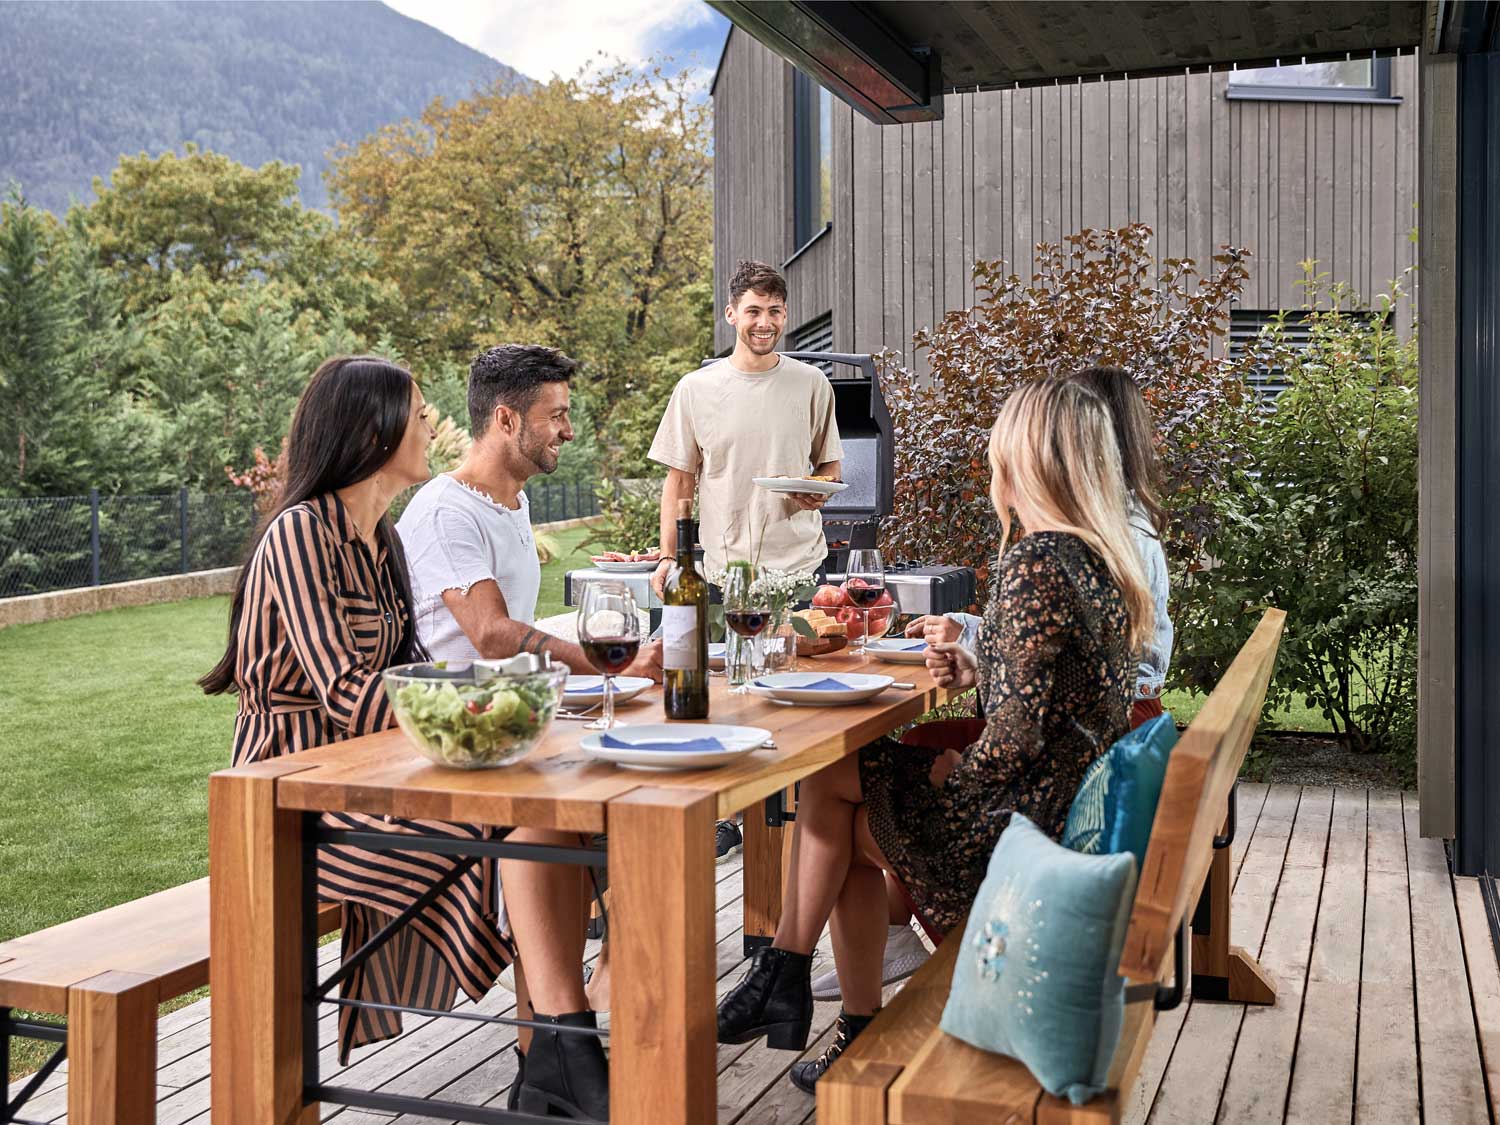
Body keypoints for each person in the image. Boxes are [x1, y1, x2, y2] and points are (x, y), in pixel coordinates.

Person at [715, 378, 1152, 1095]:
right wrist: (982, 664)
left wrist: (960, 769)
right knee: (835, 782)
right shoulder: (1098, 560)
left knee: (829, 793)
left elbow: (1012, 736)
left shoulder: (1036, 559)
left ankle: (797, 983)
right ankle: (798, 984)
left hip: (1013, 829)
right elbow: (1053, 696)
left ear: (1029, 461)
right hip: (1058, 806)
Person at [201, 355, 608, 1120]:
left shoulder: (380, 536)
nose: (428, 428)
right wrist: (498, 700)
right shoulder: (300, 534)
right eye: (417, 416)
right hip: (289, 792)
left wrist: (498, 703)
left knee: (549, 810)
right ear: (372, 430)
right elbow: (353, 696)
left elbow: (413, 671)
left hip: (377, 768)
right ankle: (565, 1046)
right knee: (520, 821)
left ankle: (556, 1046)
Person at [647, 257, 843, 866]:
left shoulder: (812, 384)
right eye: (754, 311)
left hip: (800, 565)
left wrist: (816, 489)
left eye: (775, 311)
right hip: (727, 569)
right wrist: (667, 555)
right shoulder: (696, 389)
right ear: (732, 314)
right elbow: (680, 482)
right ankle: (733, 813)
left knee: (797, 697)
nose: (765, 322)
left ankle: (803, 814)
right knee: (734, 694)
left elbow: (829, 469)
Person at [397, 343, 661, 680]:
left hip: (517, 707)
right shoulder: (446, 512)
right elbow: (492, 636)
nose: (568, 431)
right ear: (506, 420)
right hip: (460, 716)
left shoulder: (514, 503)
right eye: (555, 416)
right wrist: (618, 663)